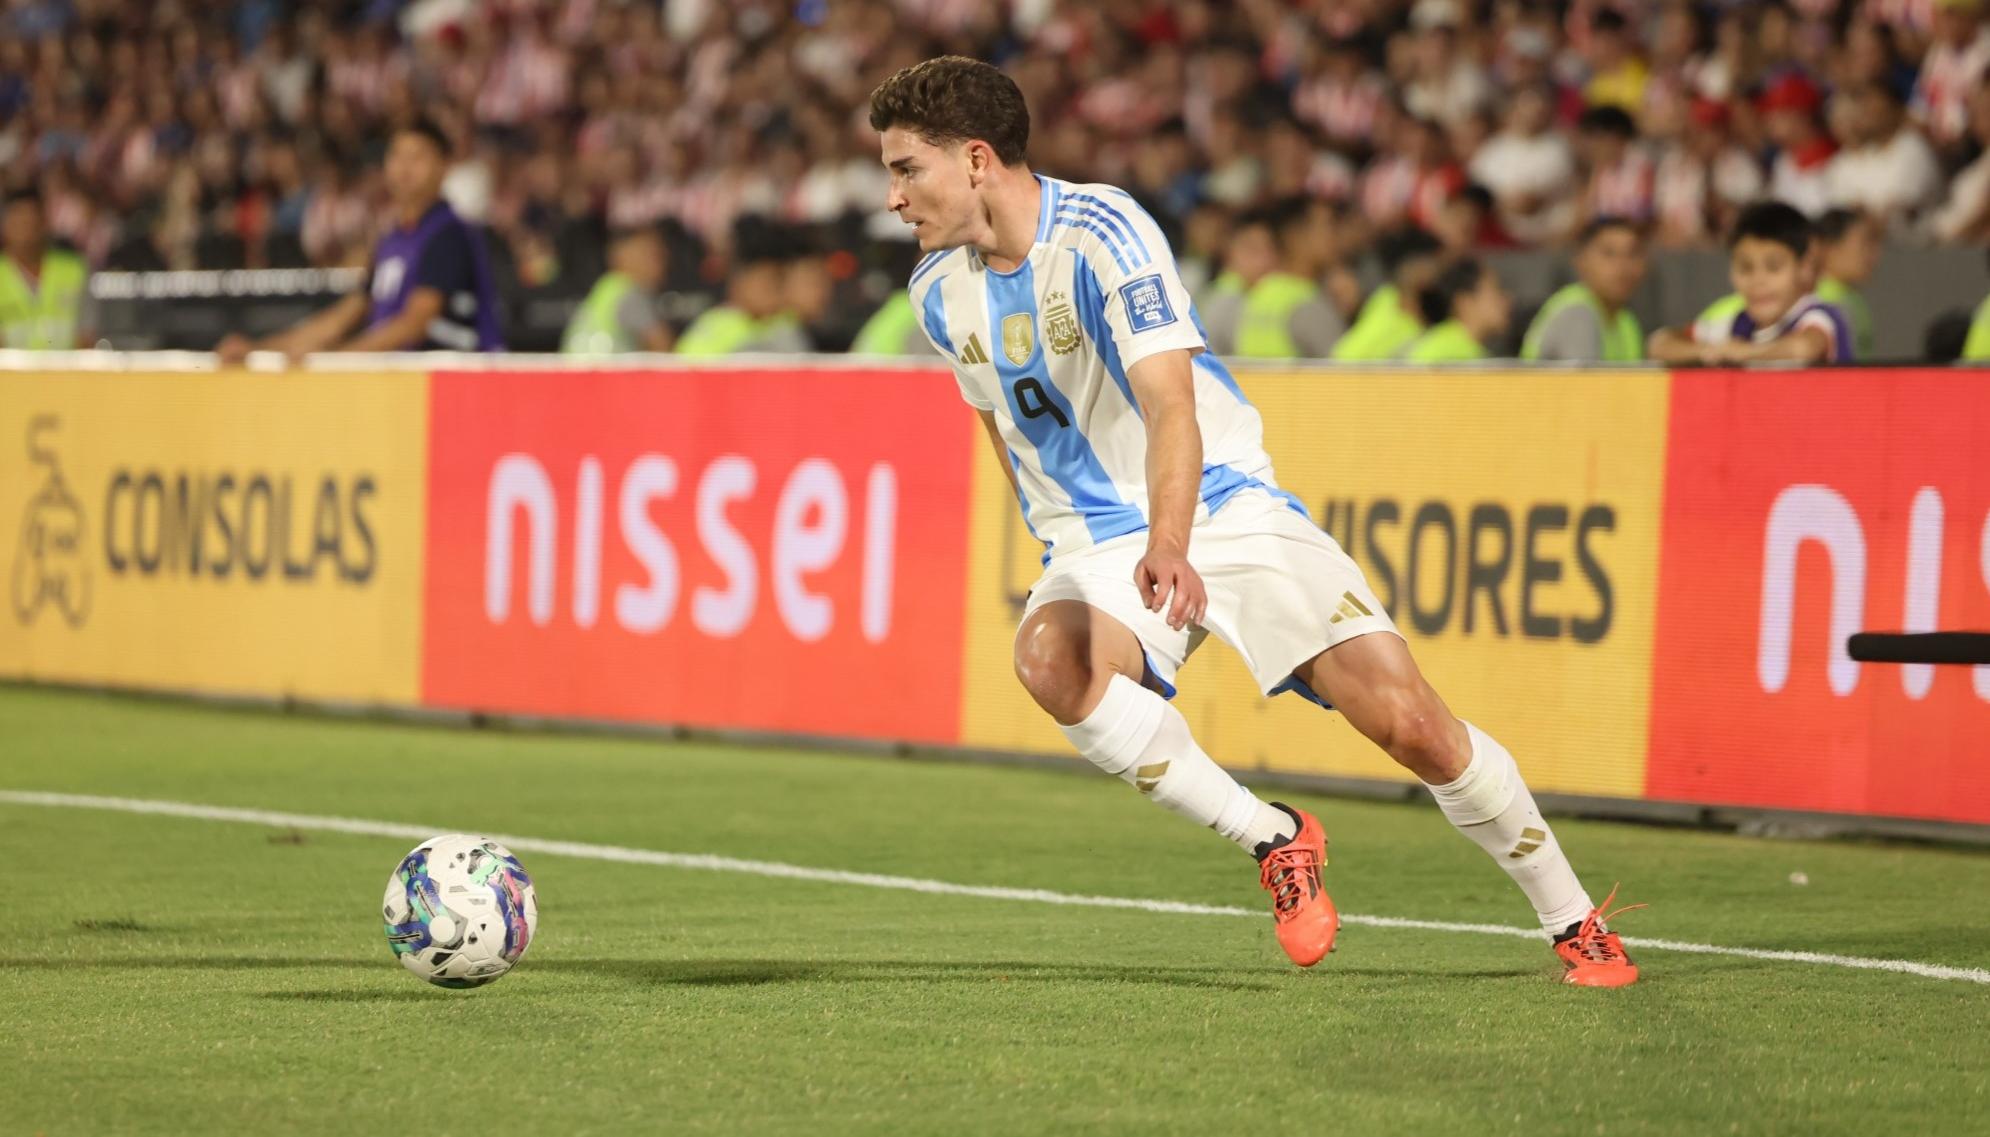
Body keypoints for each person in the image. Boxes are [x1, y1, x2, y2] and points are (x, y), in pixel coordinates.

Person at [872, 55, 1639, 985]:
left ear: (979, 159)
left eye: (907, 168)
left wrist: (1169, 540)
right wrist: (1065, 546)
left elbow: (1171, 404)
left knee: (1412, 724)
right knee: (1051, 659)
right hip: (1095, 540)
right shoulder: (933, 291)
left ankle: (1572, 919)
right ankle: (1275, 837)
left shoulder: (1104, 230)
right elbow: (1003, 423)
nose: (893, 197)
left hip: (1220, 501)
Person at [217, 119, 503, 363]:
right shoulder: (392, 240)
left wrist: (337, 358)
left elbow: (416, 322)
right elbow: (342, 318)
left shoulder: (450, 233)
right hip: (400, 386)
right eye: (397, 156)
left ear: (444, 167)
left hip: (454, 388)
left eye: (417, 158)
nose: (404, 168)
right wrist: (259, 350)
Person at [1648, 201, 1853, 365]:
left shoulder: (1820, 315)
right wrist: (1708, 352)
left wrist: (1743, 353)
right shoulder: (1737, 324)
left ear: (1805, 268)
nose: (1758, 281)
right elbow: (1659, 344)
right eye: (1746, 268)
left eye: (1773, 267)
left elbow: (1804, 349)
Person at [1232, 198, 1348, 359]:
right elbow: (1345, 372)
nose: (1337, 237)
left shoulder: (1258, 296)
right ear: (1296, 237)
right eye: (1329, 227)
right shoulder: (1307, 304)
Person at [1521, 217, 1648, 363]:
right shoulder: (1576, 313)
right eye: (1609, 253)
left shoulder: (1627, 321)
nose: (1623, 266)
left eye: (1633, 253)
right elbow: (1584, 385)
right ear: (1581, 262)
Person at [674, 241, 812, 357]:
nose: (771, 290)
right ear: (739, 283)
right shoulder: (715, 322)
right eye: (764, 282)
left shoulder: (785, 322)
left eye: (777, 282)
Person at [1331, 227, 1443, 361]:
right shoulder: (1387, 301)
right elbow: (1345, 356)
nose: (1440, 272)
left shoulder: (1387, 297)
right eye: (1436, 263)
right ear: (1417, 270)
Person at [0, 189, 94, 349]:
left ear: (44, 223)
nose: (26, 230)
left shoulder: (74, 270)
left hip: (68, 372)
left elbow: (89, 334)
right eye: (19, 222)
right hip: (10, 373)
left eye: (31, 222)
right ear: (6, 226)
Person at [561, 226, 674, 354]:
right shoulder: (631, 294)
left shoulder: (606, 289)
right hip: (603, 372)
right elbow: (664, 350)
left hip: (578, 371)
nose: (662, 262)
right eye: (651, 255)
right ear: (621, 257)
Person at [1403, 257, 1512, 361]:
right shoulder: (1447, 355)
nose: (1506, 300)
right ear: (1465, 301)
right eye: (1497, 290)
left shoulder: (1467, 351)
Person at [1812, 208, 1882, 360]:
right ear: (1829, 248)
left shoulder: (1855, 301)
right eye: (1864, 244)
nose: (1874, 255)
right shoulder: (1808, 299)